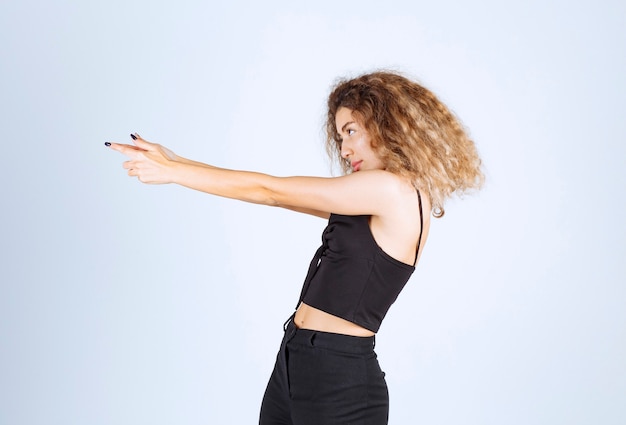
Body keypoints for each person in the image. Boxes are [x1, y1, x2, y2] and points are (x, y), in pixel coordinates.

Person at [106, 71, 484, 425]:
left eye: (351, 131)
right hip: (296, 359)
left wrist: (175, 174)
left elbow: (271, 190)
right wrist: (174, 159)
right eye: (340, 137)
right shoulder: (375, 194)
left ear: (386, 123)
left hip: (339, 378)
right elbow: (279, 198)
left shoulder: (392, 190)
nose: (345, 147)